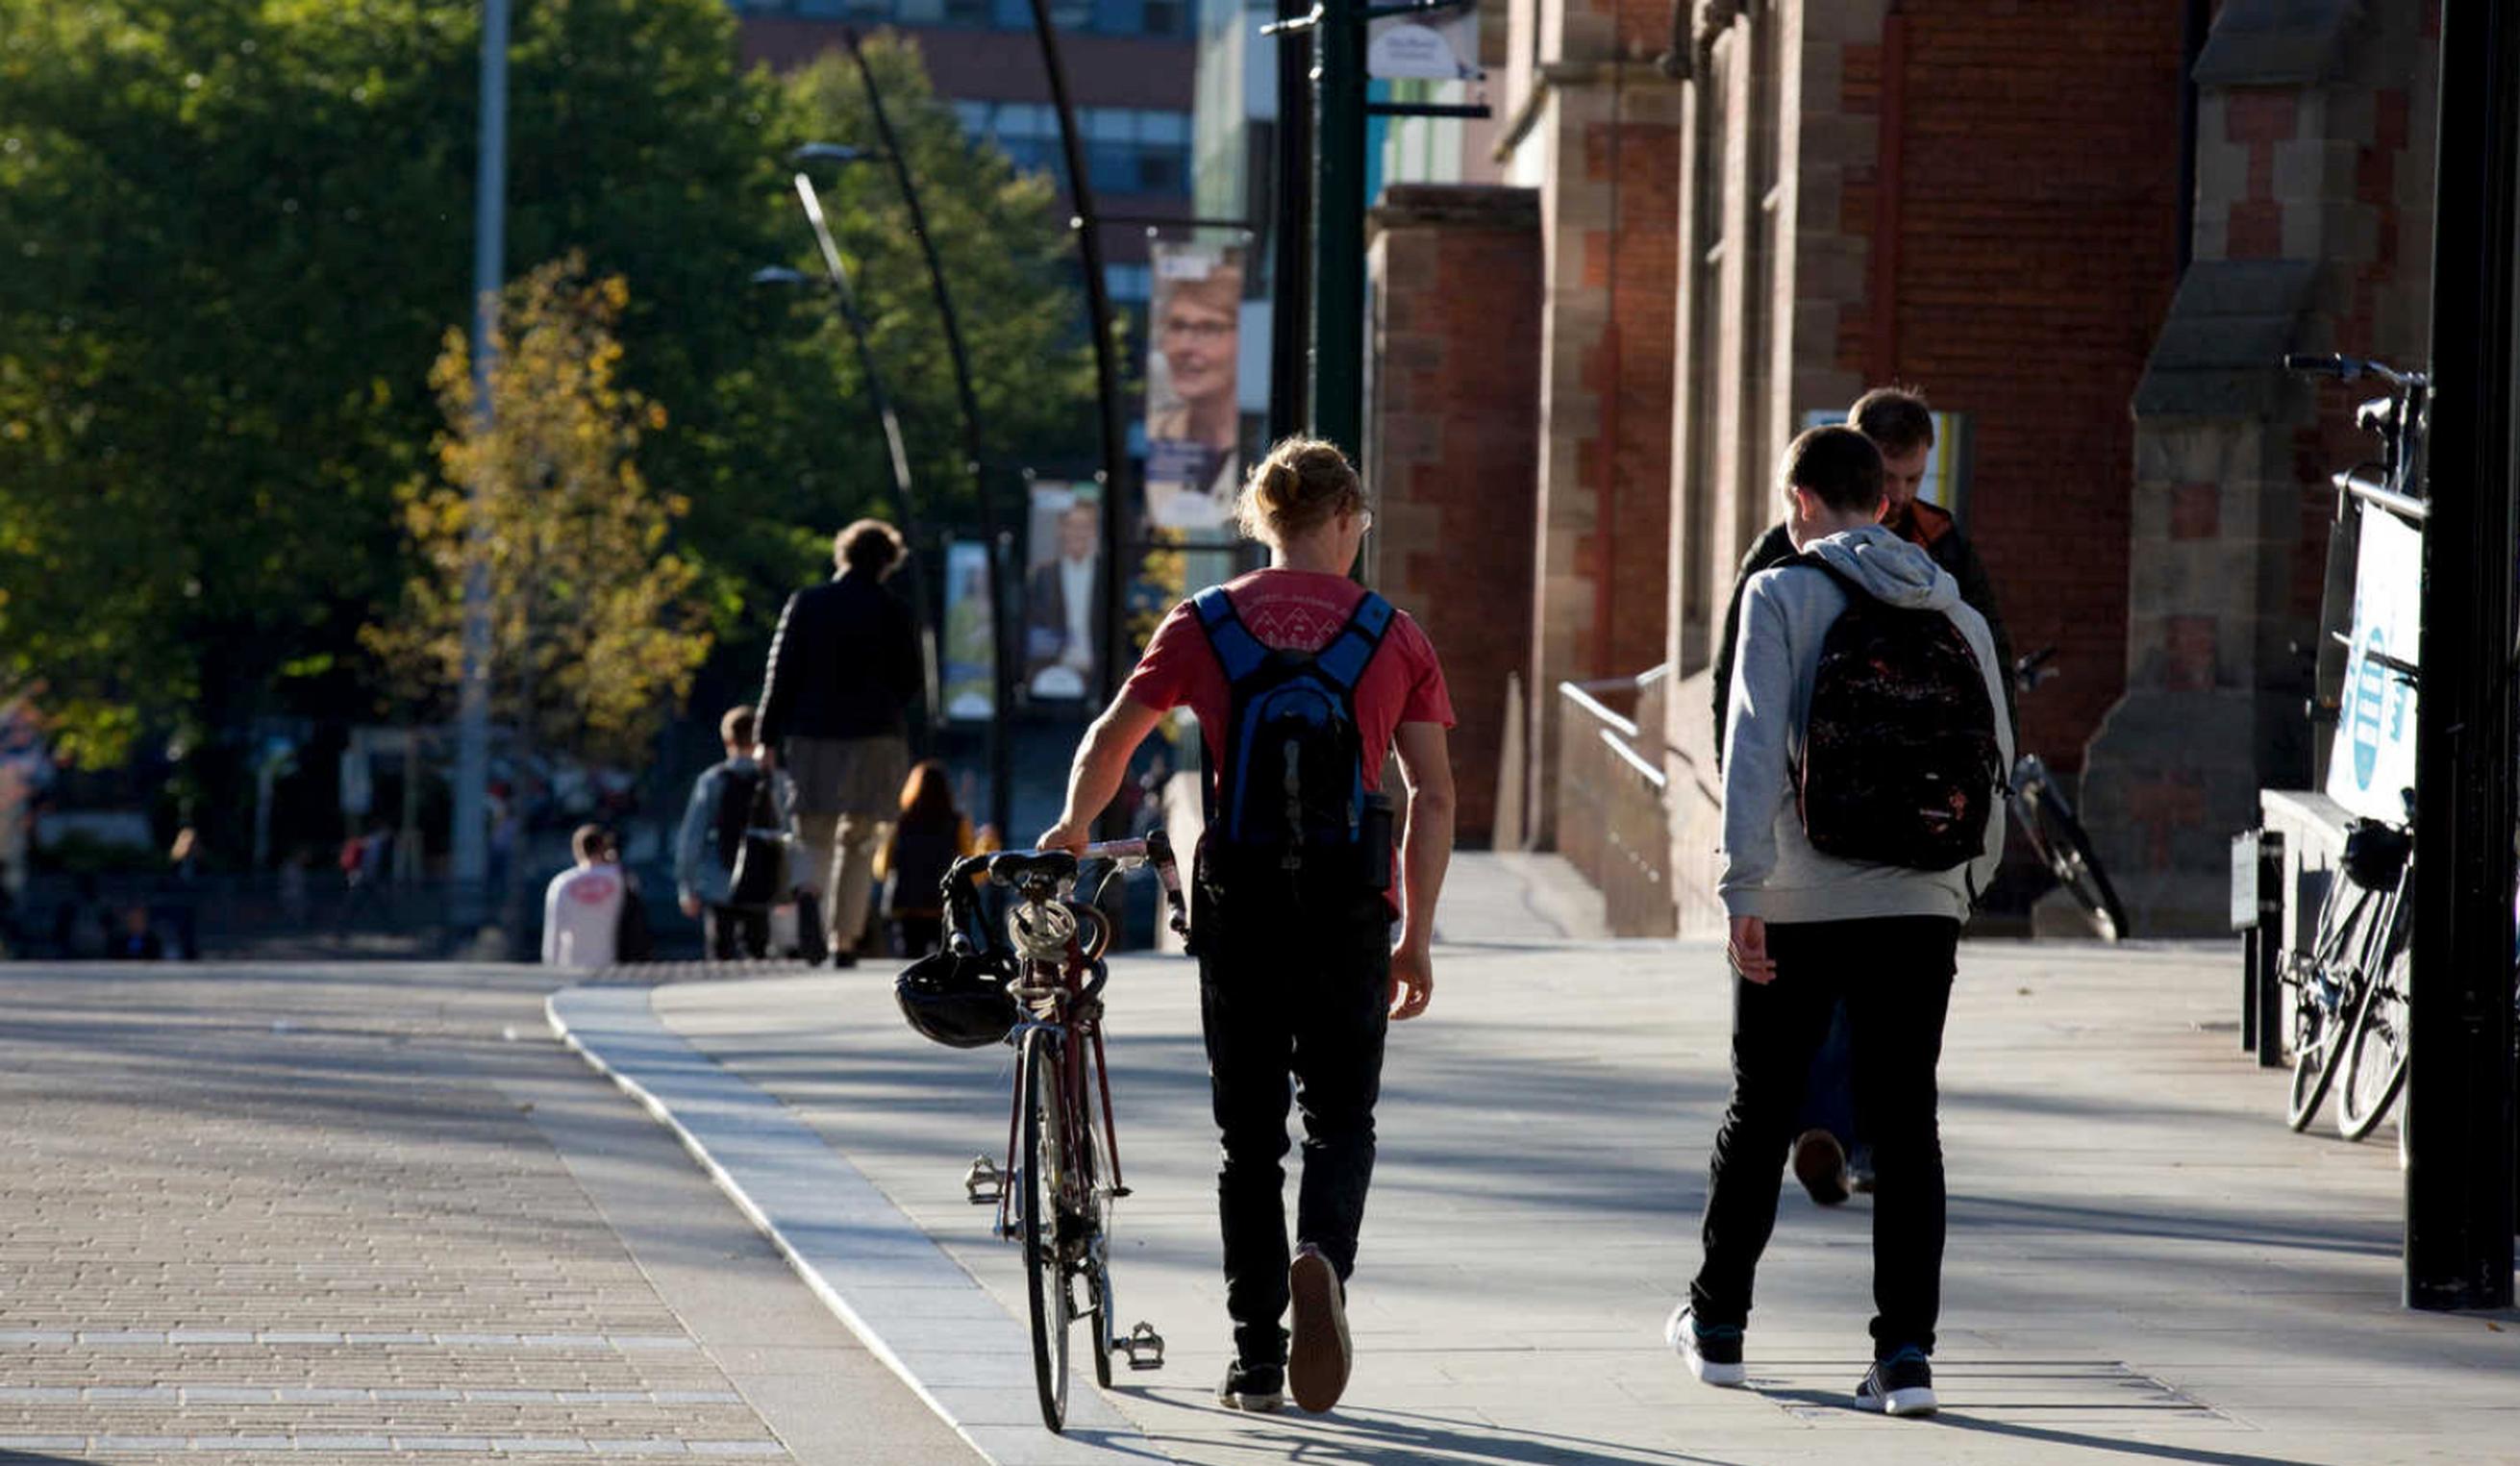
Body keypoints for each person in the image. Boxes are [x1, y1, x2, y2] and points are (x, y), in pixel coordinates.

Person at [1035, 436, 1457, 1417]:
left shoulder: (1205, 622)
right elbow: (1431, 796)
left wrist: (1072, 828)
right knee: (1341, 1119)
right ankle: (1322, 1258)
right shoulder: (1391, 633)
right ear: (1346, 517)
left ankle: (1256, 1358)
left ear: (1263, 521)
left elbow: (1112, 738)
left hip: (1241, 906)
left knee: (1247, 1141)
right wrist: (1417, 936)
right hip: (1351, 907)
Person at [1668, 425, 2009, 1419]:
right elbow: (1994, 756)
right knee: (1906, 1126)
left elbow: (1750, 744)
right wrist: (1958, 887)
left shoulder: (1779, 593)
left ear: (1800, 499)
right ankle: (1903, 1359)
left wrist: (1743, 889)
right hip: (1917, 899)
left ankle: (1718, 1326)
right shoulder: (1953, 609)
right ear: (1883, 498)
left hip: (1796, 899)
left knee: (1760, 1105)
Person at [1711, 385, 2017, 1205]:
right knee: (1899, 1071)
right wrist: (1969, 873)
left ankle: (1720, 1304)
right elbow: (1996, 722)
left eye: (1916, 480)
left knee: (1769, 1081)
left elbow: (1742, 721)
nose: (1904, 498)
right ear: (1867, 480)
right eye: (1897, 480)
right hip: (1920, 858)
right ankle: (1899, 1314)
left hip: (1815, 857)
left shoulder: (1783, 571)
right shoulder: (1939, 574)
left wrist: (1742, 864)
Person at [757, 519, 923, 967]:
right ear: (888, 562)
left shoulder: (807, 603)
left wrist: (765, 736)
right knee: (861, 839)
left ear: (842, 555)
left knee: (814, 833)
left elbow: (782, 673)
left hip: (813, 734)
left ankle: (809, 891)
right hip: (877, 735)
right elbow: (912, 680)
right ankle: (843, 940)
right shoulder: (895, 610)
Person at [675, 706, 797, 961]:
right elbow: (789, 833)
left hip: (718, 880)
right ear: (757, 737)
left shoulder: (712, 780)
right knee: (758, 950)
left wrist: (687, 886)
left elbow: (692, 837)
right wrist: (789, 886)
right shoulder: (776, 780)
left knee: (721, 953)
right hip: (761, 879)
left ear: (727, 739)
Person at [879, 760, 975, 958]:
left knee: (910, 963)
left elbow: (881, 868)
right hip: (945, 905)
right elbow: (970, 866)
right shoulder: (957, 823)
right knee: (949, 961)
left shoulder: (900, 823)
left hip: (907, 906)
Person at [1024, 499, 1106, 699]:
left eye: (1084, 526)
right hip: (1052, 675)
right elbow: (1034, 627)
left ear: (1093, 531)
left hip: (1099, 676)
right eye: (1072, 526)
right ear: (1062, 530)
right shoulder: (1044, 575)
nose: (1078, 533)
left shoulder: (1106, 574)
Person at [542, 823, 626, 970]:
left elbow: (554, 931)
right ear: (603, 848)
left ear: (577, 850)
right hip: (609, 964)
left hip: (570, 965)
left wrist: (550, 966)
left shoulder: (561, 883)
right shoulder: (617, 878)